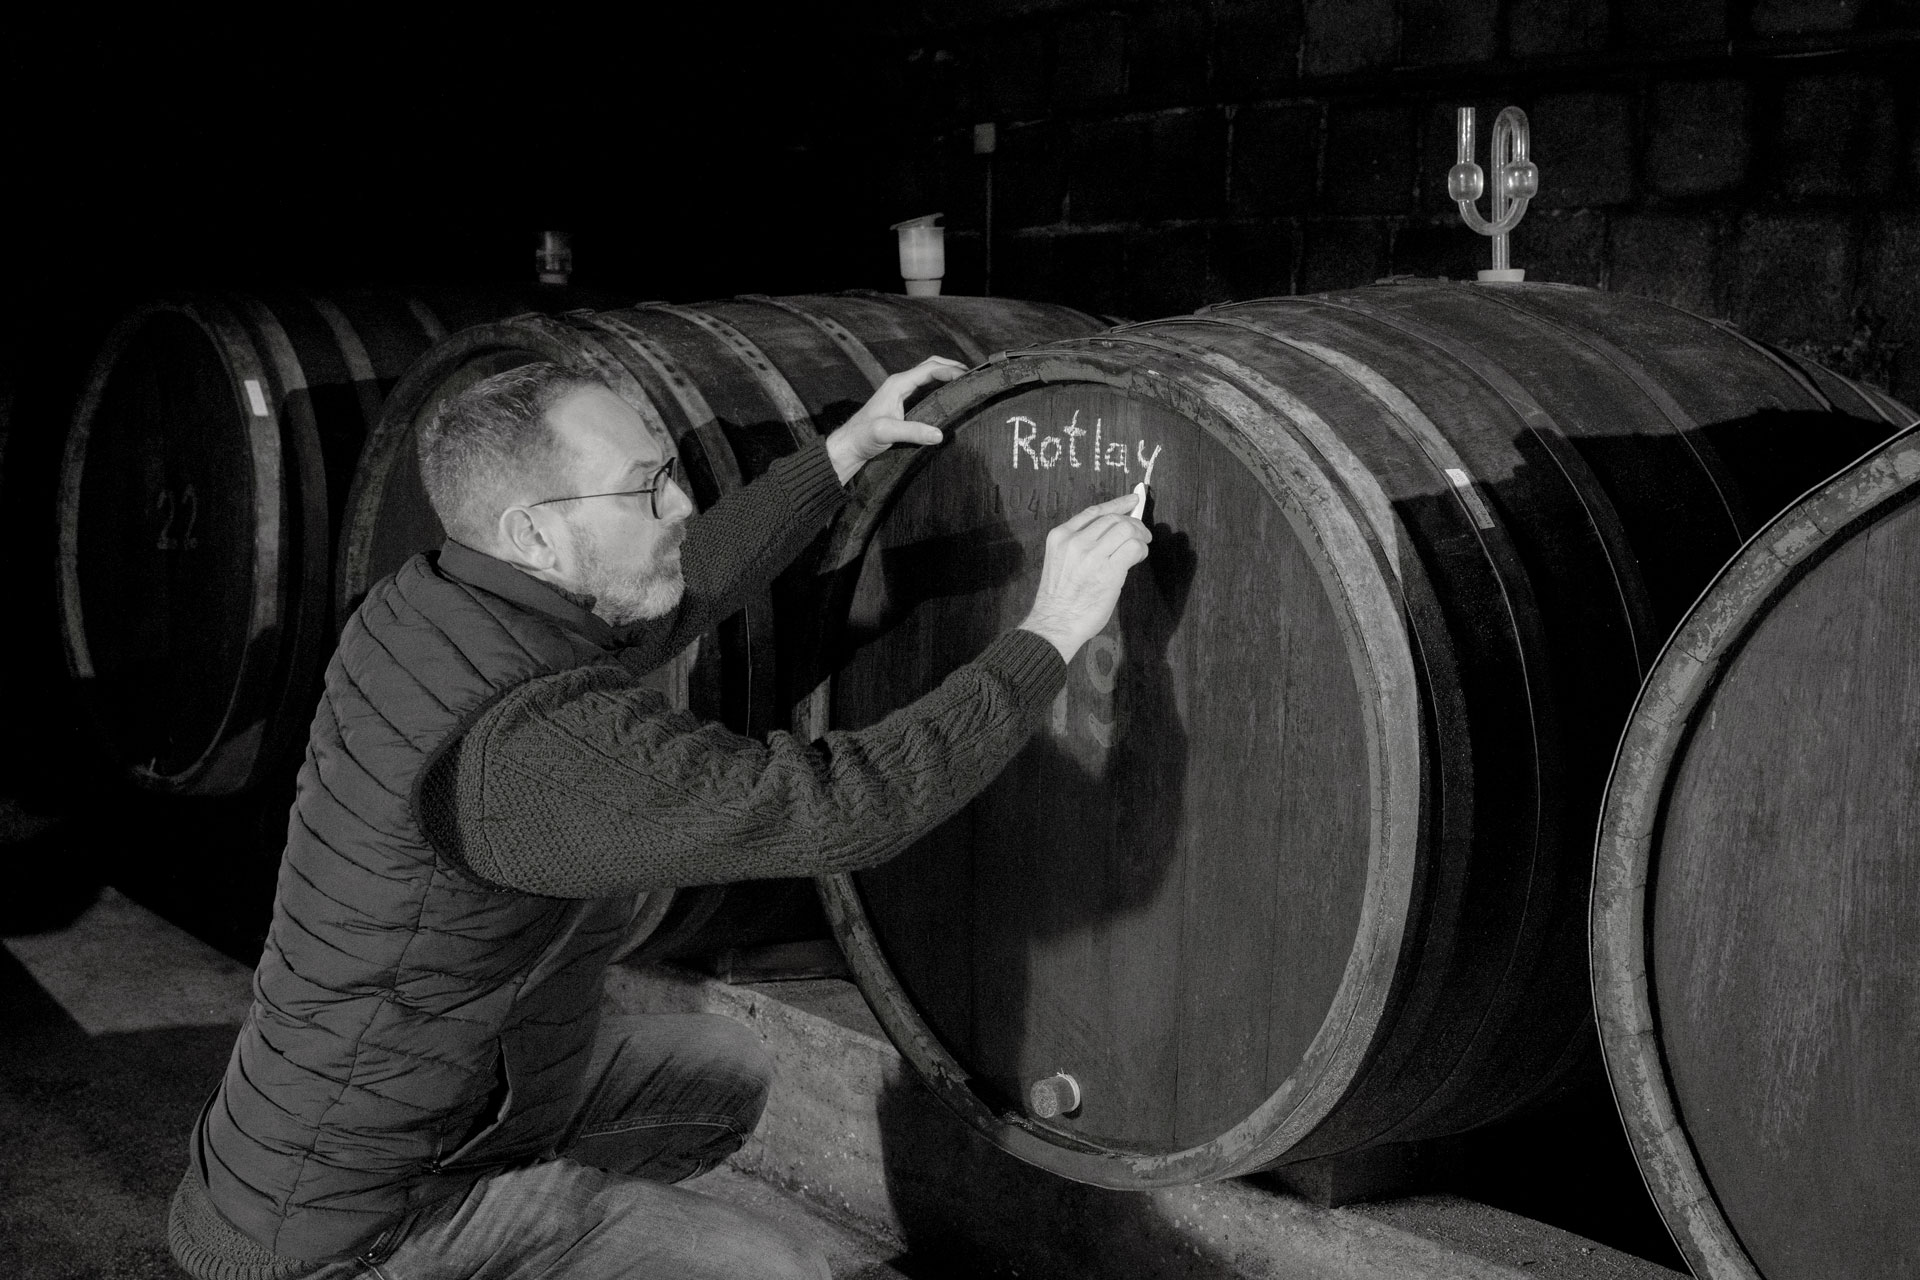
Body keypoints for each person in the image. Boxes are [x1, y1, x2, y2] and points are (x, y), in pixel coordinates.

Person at [166, 355, 1152, 1280]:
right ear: (536, 536)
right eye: (648, 489)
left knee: (722, 1072)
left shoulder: (429, 603)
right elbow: (837, 805)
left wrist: (844, 455)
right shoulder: (523, 752)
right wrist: (1052, 630)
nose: (681, 502)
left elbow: (673, 588)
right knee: (792, 1272)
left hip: (345, 1132)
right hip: (349, 1228)